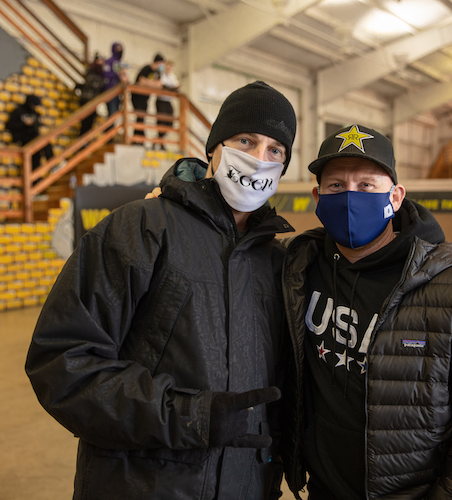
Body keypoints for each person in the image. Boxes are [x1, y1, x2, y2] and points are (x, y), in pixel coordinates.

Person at [25, 80, 298, 500]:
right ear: (213, 148)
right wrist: (188, 416)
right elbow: (62, 362)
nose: (259, 159)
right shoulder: (140, 228)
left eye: (275, 150)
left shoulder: (275, 261)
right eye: (246, 140)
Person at [280, 124, 452, 499]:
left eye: (366, 186)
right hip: (323, 489)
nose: (349, 197)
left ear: (395, 197)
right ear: (317, 196)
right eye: (336, 186)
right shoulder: (298, 266)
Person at [5, 94, 54, 168]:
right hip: (22, 139)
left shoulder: (35, 113)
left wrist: (35, 123)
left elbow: (37, 127)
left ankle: (52, 165)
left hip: (33, 139)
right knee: (34, 156)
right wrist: (24, 123)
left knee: (43, 146)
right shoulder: (18, 111)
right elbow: (9, 126)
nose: (34, 107)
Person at [131, 53, 165, 142]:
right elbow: (141, 81)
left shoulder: (158, 73)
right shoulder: (147, 69)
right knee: (140, 116)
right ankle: (138, 137)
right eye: (161, 64)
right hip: (137, 96)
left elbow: (159, 85)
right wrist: (152, 83)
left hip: (146, 98)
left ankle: (138, 137)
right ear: (156, 63)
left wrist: (149, 83)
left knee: (143, 116)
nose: (162, 66)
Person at [77, 54, 105, 136]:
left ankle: (85, 141)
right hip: (87, 100)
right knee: (85, 122)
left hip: (93, 102)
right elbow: (93, 83)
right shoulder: (91, 70)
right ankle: (82, 141)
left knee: (90, 122)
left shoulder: (100, 73)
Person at [155, 59, 180, 149]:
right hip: (161, 100)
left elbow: (176, 86)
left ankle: (159, 139)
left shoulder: (172, 76)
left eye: (170, 67)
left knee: (170, 122)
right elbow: (161, 86)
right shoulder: (160, 74)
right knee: (161, 121)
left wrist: (168, 88)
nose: (168, 68)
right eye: (167, 66)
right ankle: (159, 141)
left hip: (168, 101)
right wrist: (169, 88)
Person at [102, 41, 126, 116]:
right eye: (118, 48)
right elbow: (106, 74)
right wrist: (118, 74)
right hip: (110, 91)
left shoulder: (120, 63)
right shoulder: (109, 62)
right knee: (111, 113)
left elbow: (123, 77)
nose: (119, 51)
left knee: (115, 114)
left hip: (118, 92)